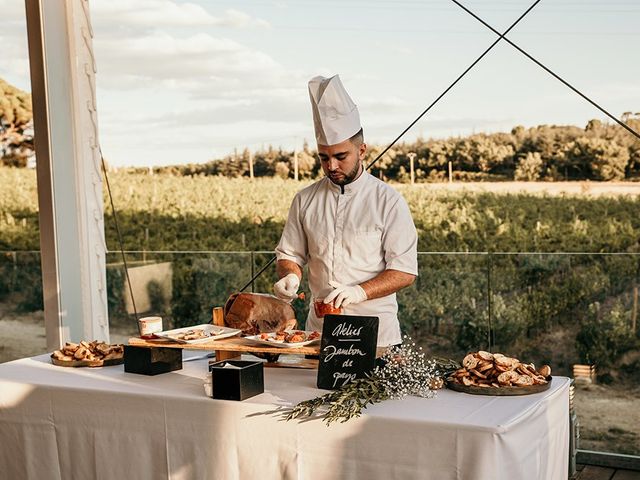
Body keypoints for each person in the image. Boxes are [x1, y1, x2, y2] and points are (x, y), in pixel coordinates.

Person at [273, 74, 418, 346]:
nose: (332, 166)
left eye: (341, 157)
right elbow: (289, 253)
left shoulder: (388, 201)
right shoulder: (304, 200)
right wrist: (290, 275)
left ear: (362, 150)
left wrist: (359, 292)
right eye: (324, 158)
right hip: (319, 334)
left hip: (376, 335)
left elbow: (404, 271)